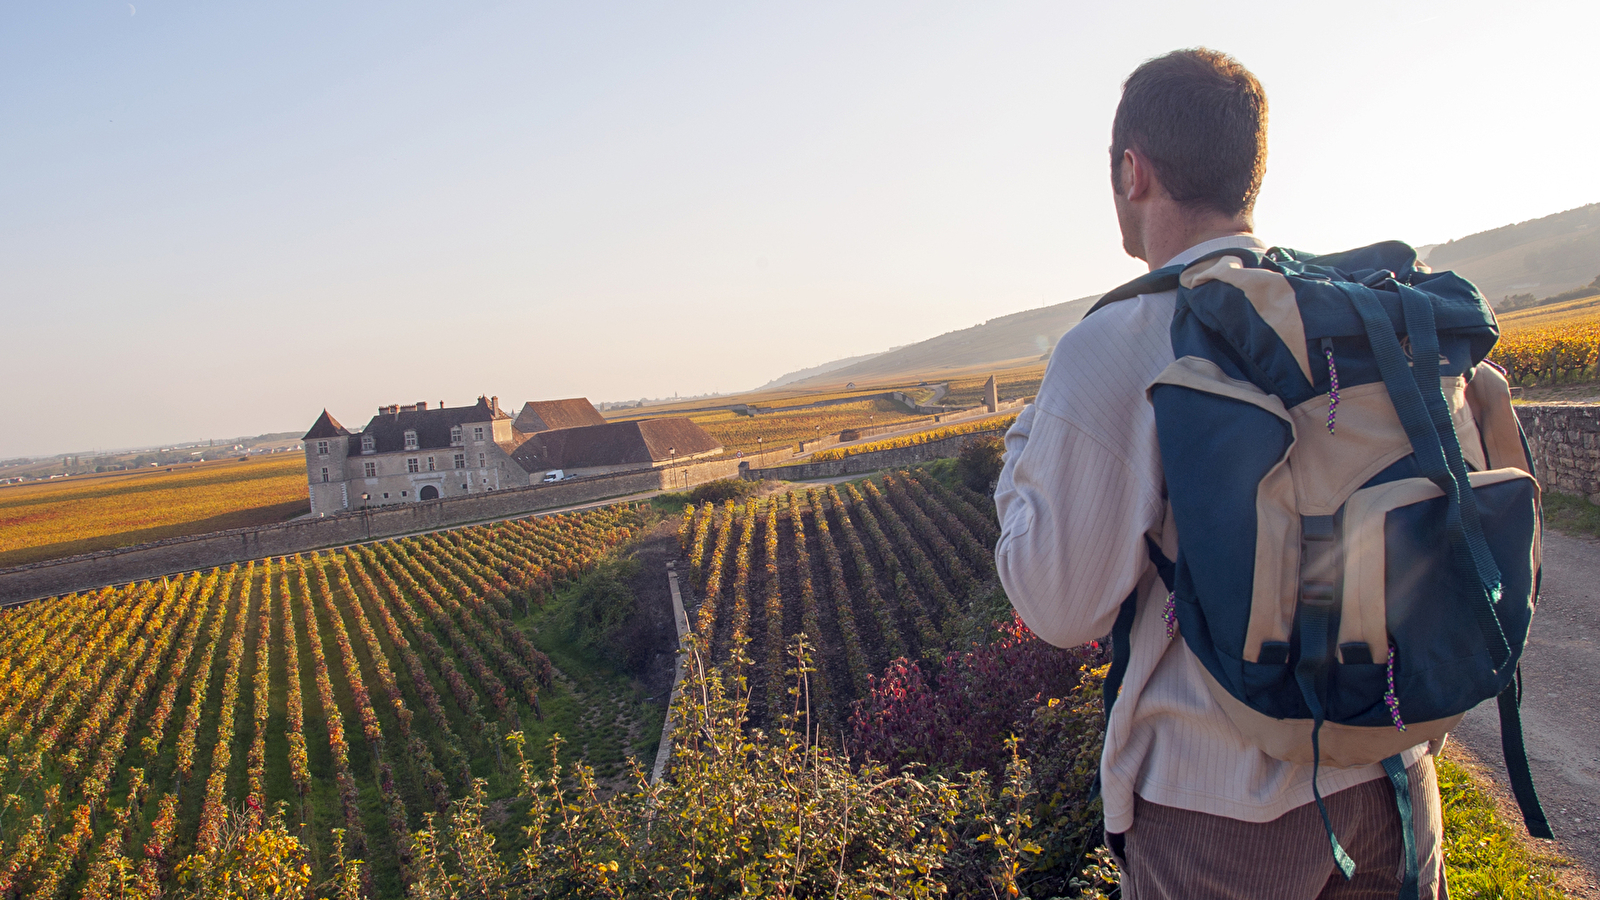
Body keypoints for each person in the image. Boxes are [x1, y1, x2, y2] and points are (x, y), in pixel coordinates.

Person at [994, 49, 1445, 899]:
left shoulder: (1116, 344)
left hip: (1220, 816)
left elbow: (1059, 606)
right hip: (1392, 778)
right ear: (1251, 171)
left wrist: (1019, 462)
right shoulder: (1344, 310)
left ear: (1133, 171)